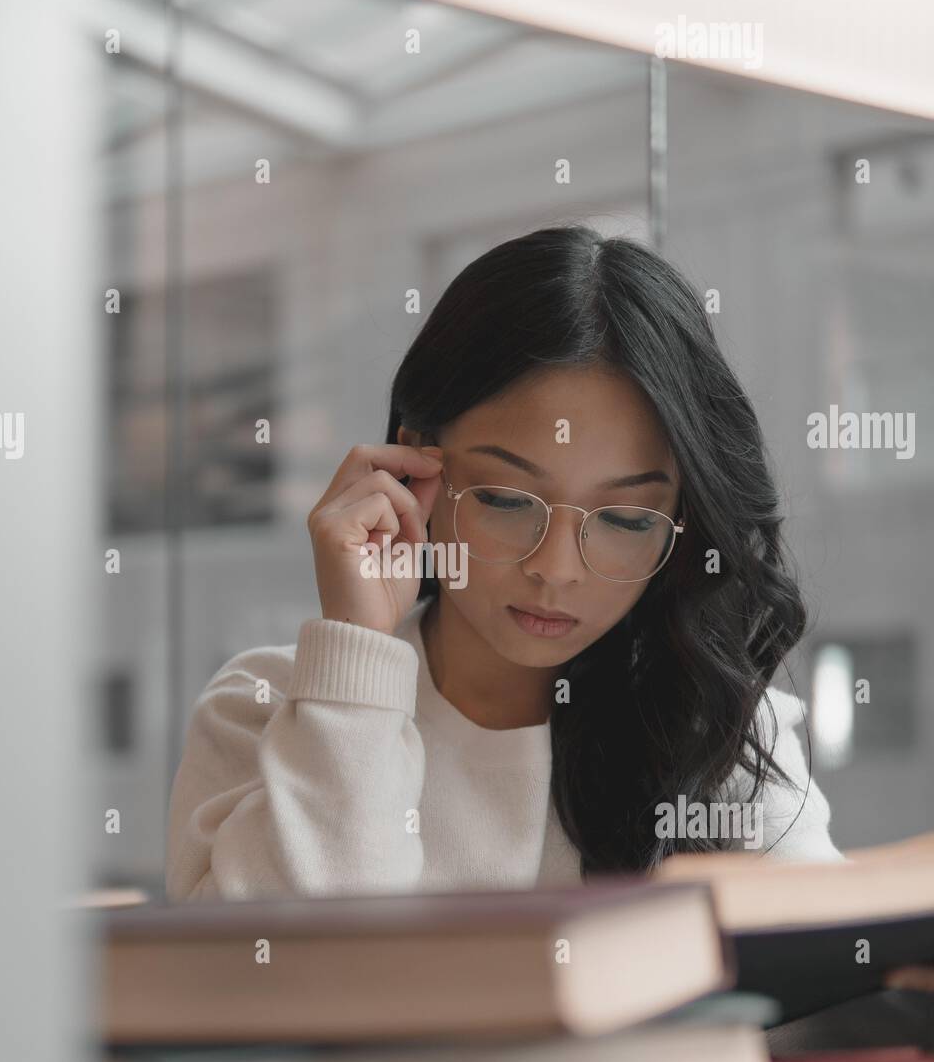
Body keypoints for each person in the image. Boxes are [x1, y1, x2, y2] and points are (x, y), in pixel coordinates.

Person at [166, 224, 845, 902]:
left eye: (626, 519)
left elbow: (829, 943)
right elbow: (292, 956)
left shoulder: (716, 730)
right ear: (416, 462)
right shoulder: (267, 707)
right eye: (506, 500)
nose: (555, 568)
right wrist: (355, 666)